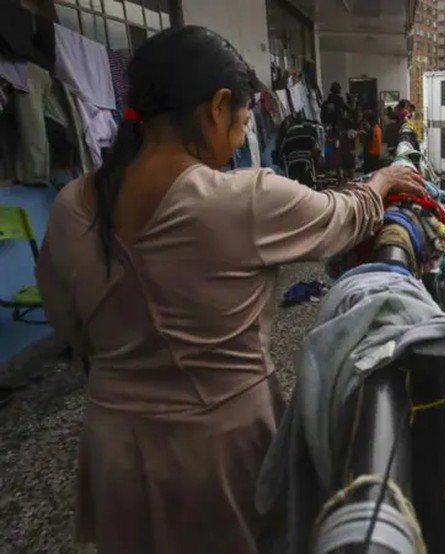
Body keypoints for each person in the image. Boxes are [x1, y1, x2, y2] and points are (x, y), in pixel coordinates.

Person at [34, 26, 425, 554]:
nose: (240, 141)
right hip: (219, 456)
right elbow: (344, 218)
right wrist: (382, 182)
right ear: (218, 107)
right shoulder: (242, 200)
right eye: (242, 123)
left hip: (113, 450)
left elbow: (71, 329)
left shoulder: (69, 206)